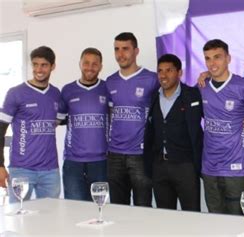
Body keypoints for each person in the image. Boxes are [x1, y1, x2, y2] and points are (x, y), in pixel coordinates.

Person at [199, 39, 244, 214]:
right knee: (216, 223)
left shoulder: (243, 86)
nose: (212, 63)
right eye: (208, 58)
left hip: (237, 167)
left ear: (228, 58)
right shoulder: (201, 86)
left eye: (217, 57)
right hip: (210, 167)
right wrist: (204, 74)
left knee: (239, 222)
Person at [0, 46, 61, 201]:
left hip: (50, 171)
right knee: (17, 218)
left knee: (50, 218)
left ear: (52, 66)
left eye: (44, 65)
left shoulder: (56, 94)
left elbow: (59, 120)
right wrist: (0, 165)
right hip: (21, 170)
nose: (39, 69)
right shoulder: (16, 93)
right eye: (35, 64)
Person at [143, 54, 203, 211]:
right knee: (164, 217)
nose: (163, 75)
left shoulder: (193, 95)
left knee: (191, 216)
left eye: (169, 70)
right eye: (160, 71)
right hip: (159, 167)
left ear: (179, 73)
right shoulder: (153, 97)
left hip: (186, 167)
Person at [106, 32, 157, 206]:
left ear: (136, 51)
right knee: (118, 210)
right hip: (114, 156)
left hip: (140, 156)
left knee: (143, 209)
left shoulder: (151, 79)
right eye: (116, 49)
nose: (120, 54)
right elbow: (110, 114)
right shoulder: (110, 81)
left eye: (125, 49)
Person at [57, 48, 108, 201]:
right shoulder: (67, 90)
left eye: (94, 64)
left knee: (99, 209)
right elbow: (59, 119)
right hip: (73, 162)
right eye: (86, 63)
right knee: (75, 211)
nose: (90, 67)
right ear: (80, 63)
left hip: (101, 161)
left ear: (100, 66)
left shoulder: (107, 88)